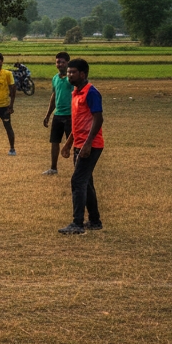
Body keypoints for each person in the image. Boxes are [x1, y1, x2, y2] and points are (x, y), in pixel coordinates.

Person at [58, 58, 104, 234]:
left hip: (90, 146)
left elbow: (98, 119)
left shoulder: (91, 92)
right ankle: (94, 221)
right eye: (69, 72)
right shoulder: (75, 93)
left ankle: (77, 224)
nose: (69, 75)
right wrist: (68, 144)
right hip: (79, 144)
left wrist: (88, 144)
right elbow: (77, 124)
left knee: (77, 181)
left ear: (82, 74)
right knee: (86, 183)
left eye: (73, 72)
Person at [42, 51, 73, 175]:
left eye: (62, 62)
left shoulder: (72, 79)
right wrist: (48, 115)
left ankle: (78, 169)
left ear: (68, 63)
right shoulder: (55, 78)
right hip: (58, 115)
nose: (59, 64)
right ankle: (53, 168)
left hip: (70, 115)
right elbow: (54, 96)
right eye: (58, 62)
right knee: (54, 142)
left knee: (75, 143)